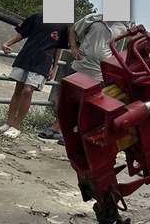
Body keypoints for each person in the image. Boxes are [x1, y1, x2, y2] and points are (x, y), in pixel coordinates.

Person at [39, 12, 129, 141]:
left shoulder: (121, 29)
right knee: (67, 99)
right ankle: (55, 127)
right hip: (81, 65)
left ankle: (70, 134)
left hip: (99, 71)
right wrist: (74, 47)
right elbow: (73, 30)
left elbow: (116, 51)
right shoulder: (93, 18)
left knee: (86, 104)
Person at [0, 13, 70, 139]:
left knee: (28, 91)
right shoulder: (37, 17)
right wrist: (7, 43)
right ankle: (8, 123)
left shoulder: (63, 26)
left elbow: (59, 48)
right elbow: (22, 33)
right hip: (27, 55)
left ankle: (16, 126)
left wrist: (54, 67)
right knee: (18, 90)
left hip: (43, 61)